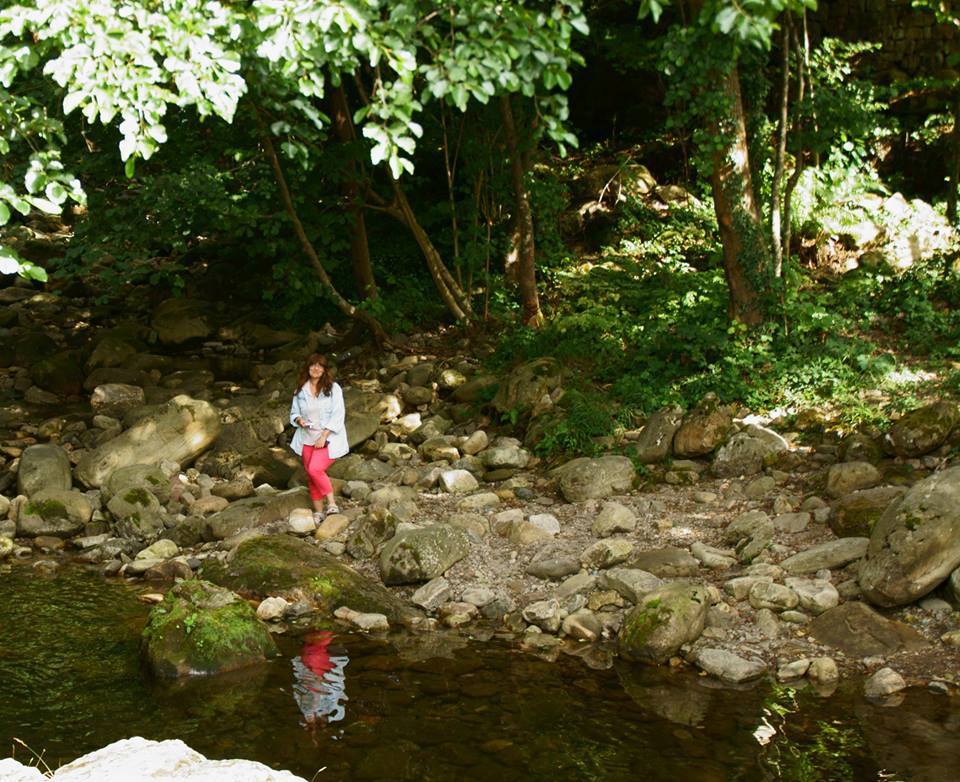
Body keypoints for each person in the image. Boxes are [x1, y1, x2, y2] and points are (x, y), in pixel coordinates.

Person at [289, 353, 349, 523]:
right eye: (313, 365)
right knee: (311, 475)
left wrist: (324, 435)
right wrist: (299, 420)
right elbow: (294, 413)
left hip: (329, 438)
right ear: (308, 368)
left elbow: (338, 414)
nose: (316, 368)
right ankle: (319, 512)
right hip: (307, 438)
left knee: (315, 469)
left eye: (320, 365)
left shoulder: (333, 388)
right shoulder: (300, 390)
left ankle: (332, 504)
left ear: (324, 369)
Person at [291, 630, 349, 727]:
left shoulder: (317, 708)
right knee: (312, 657)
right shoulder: (330, 707)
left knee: (311, 657)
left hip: (315, 673)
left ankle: (318, 637)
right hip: (321, 672)